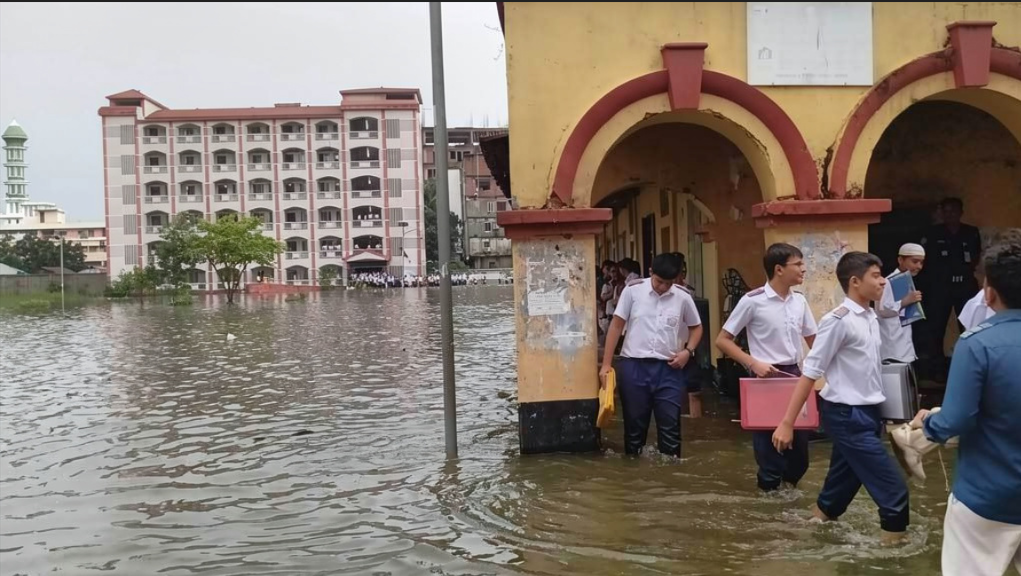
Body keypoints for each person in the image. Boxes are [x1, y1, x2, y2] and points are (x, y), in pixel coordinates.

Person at [773, 251, 910, 544]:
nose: (883, 281)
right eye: (876, 275)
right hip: (847, 416)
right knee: (894, 492)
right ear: (855, 282)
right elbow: (810, 373)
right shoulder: (839, 321)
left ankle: (805, 529)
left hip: (869, 414)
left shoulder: (871, 317)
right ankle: (894, 553)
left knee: (839, 490)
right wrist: (787, 422)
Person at [910, 239, 1021, 576]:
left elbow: (956, 419)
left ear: (988, 292)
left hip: (986, 495)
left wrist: (928, 424)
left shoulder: (976, 343)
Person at [716, 243, 818, 491]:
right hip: (764, 380)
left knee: (800, 455)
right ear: (779, 269)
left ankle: (790, 491)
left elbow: (814, 342)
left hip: (795, 376)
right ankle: (770, 502)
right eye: (798, 264)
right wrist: (753, 363)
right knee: (769, 454)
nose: (803, 269)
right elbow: (722, 340)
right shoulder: (752, 301)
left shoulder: (800, 302)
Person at [600, 253, 703, 457]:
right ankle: (635, 476)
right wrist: (606, 364)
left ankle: (670, 478)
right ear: (650, 273)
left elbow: (697, 327)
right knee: (634, 430)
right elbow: (616, 326)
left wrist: (687, 352)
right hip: (634, 367)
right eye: (659, 281)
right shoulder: (633, 291)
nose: (663, 287)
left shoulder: (683, 297)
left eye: (669, 283)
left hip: (669, 369)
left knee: (671, 429)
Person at [917, 197, 982, 376]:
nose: (949, 215)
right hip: (941, 286)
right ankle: (936, 370)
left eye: (953, 211)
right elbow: (927, 260)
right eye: (946, 211)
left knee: (970, 326)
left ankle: (972, 367)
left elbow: (975, 256)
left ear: (961, 212)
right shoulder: (933, 233)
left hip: (965, 285)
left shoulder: (970, 232)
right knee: (936, 327)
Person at [877, 243, 925, 363]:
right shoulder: (887, 282)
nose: (919, 266)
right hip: (892, 347)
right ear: (900, 260)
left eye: (921, 263)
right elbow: (882, 311)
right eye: (915, 262)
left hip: (905, 345)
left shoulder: (907, 281)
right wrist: (905, 301)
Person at [670, 252, 703, 418]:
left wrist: (690, 349)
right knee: (674, 392)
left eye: (684, 272)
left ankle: (695, 424)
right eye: (679, 272)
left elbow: (695, 325)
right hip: (669, 350)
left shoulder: (686, 293)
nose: (681, 276)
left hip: (687, 348)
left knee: (693, 390)